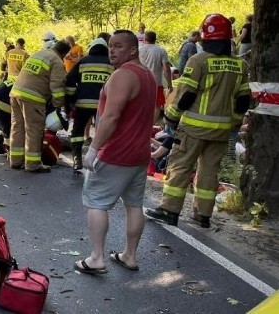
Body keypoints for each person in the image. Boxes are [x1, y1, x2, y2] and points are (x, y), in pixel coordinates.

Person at [146, 14, 250, 228]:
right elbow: (243, 99)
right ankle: (203, 215)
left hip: (193, 128)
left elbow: (186, 95)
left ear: (206, 38)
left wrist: (171, 118)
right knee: (209, 172)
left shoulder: (199, 61)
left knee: (180, 167)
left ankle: (169, 210)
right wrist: (235, 122)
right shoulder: (240, 65)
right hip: (221, 131)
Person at [74, 30, 156, 275]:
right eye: (111, 45)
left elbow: (111, 116)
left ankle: (97, 258)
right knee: (134, 205)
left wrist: (94, 149)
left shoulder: (123, 75)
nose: (112, 50)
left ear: (133, 50)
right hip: (139, 154)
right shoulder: (147, 75)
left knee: (97, 203)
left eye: (118, 46)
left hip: (116, 153)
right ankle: (129, 256)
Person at [9, 41, 69, 173]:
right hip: (33, 97)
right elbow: (57, 86)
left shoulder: (39, 53)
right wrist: (58, 106)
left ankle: (16, 161)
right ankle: (33, 164)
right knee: (34, 130)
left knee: (17, 127)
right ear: (64, 53)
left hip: (15, 93)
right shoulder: (57, 61)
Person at [65, 38, 113, 171]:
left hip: (82, 104)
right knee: (103, 132)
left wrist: (72, 100)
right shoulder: (111, 63)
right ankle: (100, 161)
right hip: (103, 106)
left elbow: (69, 81)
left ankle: (77, 159)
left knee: (77, 132)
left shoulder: (83, 61)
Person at [138, 31, 172, 123]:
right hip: (156, 83)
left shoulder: (139, 50)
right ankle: (151, 125)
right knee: (157, 105)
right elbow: (167, 70)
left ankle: (140, 124)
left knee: (140, 104)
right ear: (155, 39)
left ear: (145, 39)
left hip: (140, 83)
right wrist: (170, 84)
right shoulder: (161, 51)